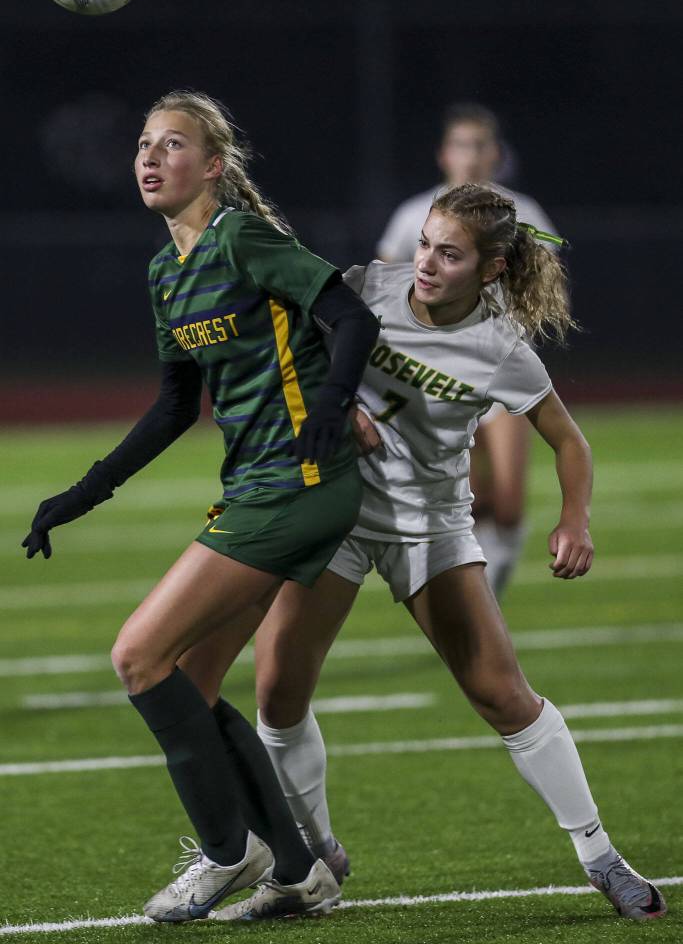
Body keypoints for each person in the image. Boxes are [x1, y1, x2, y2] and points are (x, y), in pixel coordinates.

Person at [206, 184, 664, 922]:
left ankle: (599, 856)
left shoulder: (499, 348)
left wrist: (574, 519)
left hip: (431, 526)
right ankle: (318, 854)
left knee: (501, 695)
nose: (425, 262)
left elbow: (568, 440)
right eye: (424, 243)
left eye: (448, 254)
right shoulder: (367, 287)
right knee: (277, 695)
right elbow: (293, 350)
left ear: (488, 270)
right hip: (337, 515)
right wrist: (336, 404)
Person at [21, 90, 380, 923]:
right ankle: (296, 870)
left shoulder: (244, 240)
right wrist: (81, 495)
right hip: (257, 489)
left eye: (172, 145)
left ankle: (230, 850)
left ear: (213, 167)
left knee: (137, 657)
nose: (148, 157)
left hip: (299, 487)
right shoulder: (165, 273)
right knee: (190, 679)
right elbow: (173, 410)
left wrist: (331, 404)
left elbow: (350, 316)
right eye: (143, 145)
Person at [377, 103, 559, 597]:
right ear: (444, 154)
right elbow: (387, 285)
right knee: (466, 497)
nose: (471, 156)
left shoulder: (525, 215)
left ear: (496, 154)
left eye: (480, 146)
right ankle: (473, 601)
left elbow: (543, 286)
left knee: (510, 503)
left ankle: (486, 590)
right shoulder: (415, 215)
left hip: (496, 373)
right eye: (461, 145)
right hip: (437, 375)